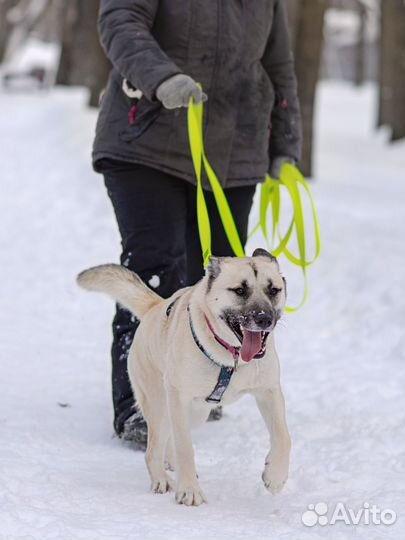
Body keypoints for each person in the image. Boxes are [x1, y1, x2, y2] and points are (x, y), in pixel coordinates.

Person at [93, 0, 302, 449]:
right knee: (157, 266)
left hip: (235, 153)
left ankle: (206, 384)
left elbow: (277, 61)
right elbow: (120, 20)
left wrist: (284, 143)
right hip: (147, 140)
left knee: (222, 280)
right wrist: (161, 77)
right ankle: (140, 404)